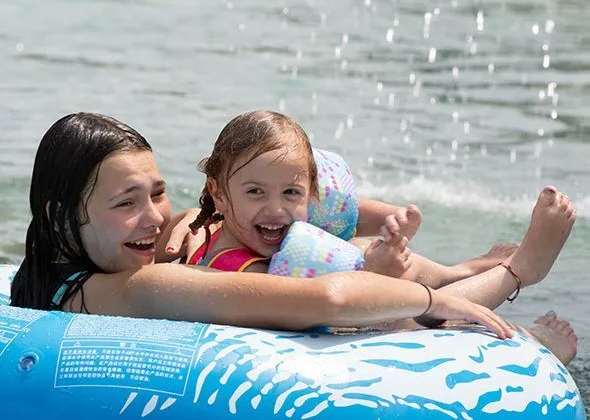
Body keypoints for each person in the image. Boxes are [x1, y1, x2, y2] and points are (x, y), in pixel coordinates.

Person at [9, 112, 577, 365]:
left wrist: (188, 221)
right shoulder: (133, 288)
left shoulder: (50, 274)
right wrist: (434, 299)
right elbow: (328, 300)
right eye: (126, 203)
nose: (154, 216)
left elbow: (180, 219)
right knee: (391, 316)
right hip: (318, 327)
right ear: (62, 215)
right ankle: (516, 275)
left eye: (156, 193)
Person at [183, 111, 550, 312]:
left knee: (369, 249)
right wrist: (378, 276)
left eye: (291, 192)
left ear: (311, 192)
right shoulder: (248, 271)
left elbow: (344, 213)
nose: (276, 208)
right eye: (255, 192)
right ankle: (516, 272)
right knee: (419, 312)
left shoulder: (246, 226)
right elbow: (320, 312)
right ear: (219, 194)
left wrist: (392, 220)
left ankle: (462, 269)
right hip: (377, 316)